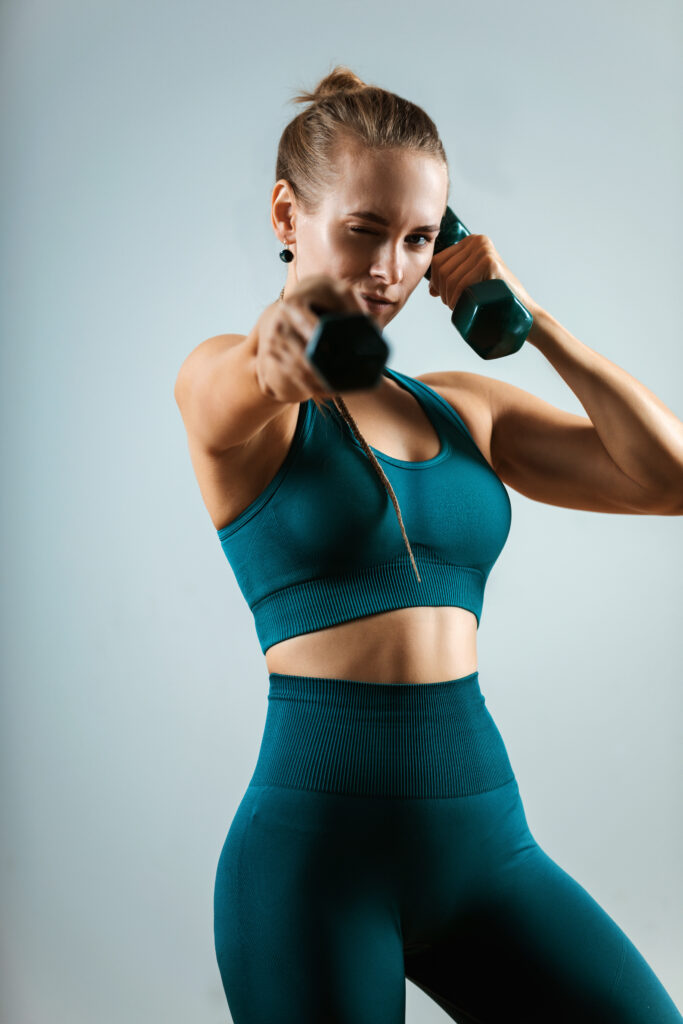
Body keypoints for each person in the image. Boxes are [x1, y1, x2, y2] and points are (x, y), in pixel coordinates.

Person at [174, 65, 683, 1024]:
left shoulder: (463, 410)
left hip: (486, 848)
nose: (389, 271)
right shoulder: (231, 386)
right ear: (287, 215)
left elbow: (669, 479)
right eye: (362, 230)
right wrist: (286, 340)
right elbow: (241, 377)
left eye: (417, 239)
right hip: (312, 866)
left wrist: (535, 326)